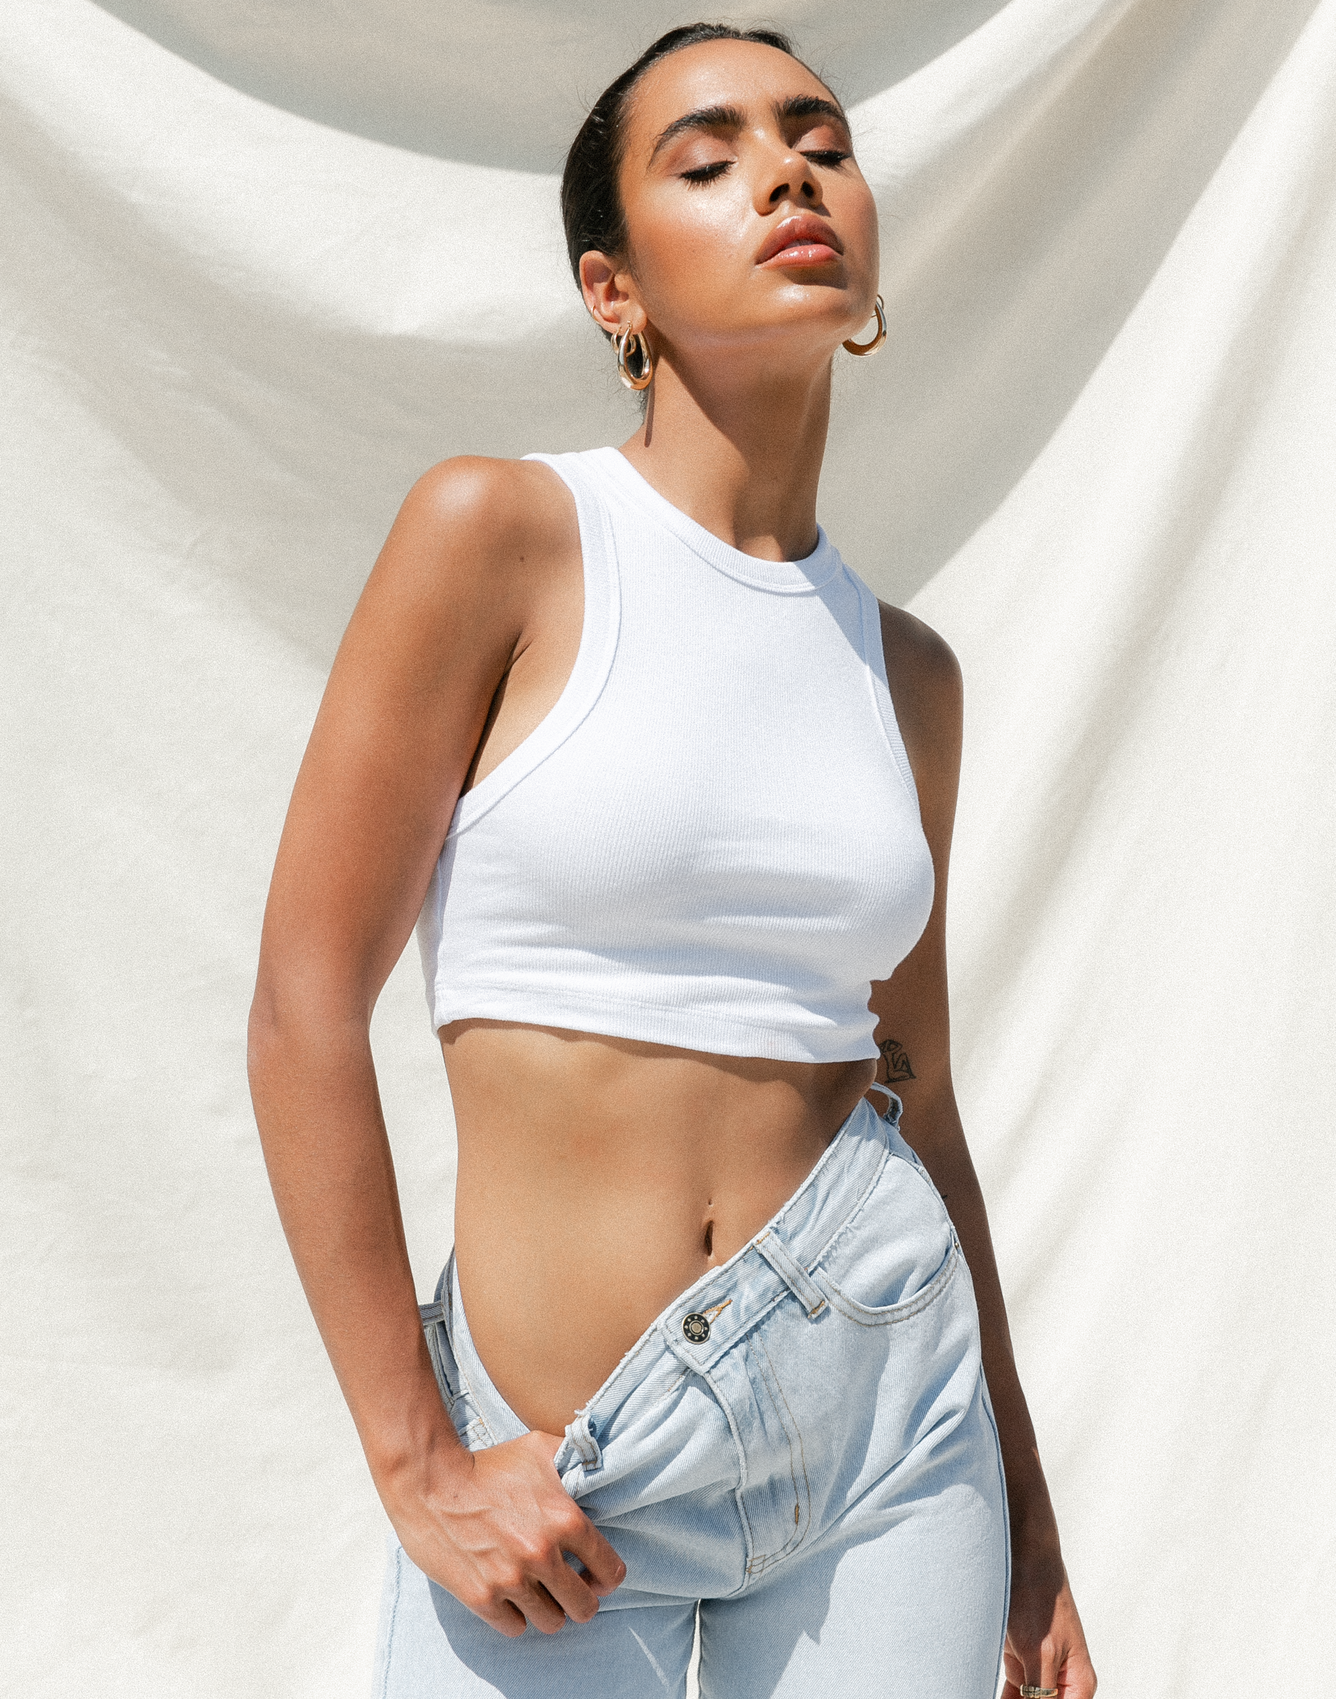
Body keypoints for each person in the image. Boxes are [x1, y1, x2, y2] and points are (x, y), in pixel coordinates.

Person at [248, 21, 1097, 1698]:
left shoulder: (907, 675)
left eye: (820, 142)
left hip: (893, 1440)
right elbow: (302, 1002)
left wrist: (1028, 1506)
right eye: (708, 160)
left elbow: (916, 1096)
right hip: (564, 1463)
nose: (787, 174)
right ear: (612, 290)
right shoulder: (500, 536)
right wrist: (418, 1459)